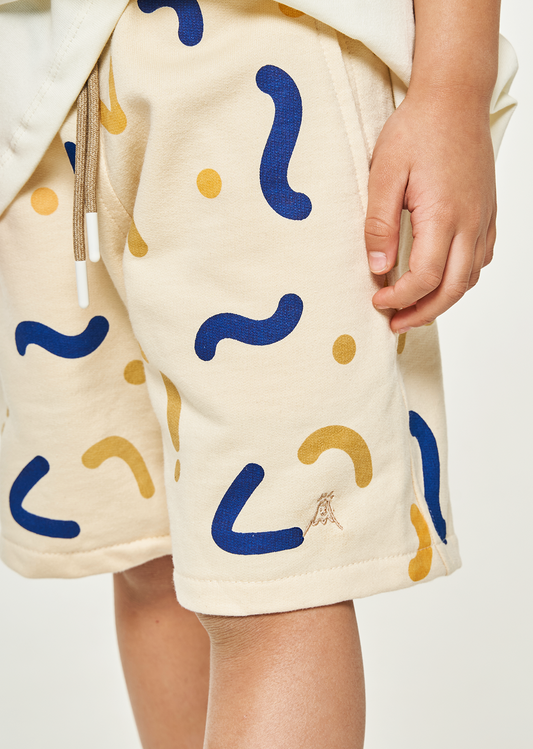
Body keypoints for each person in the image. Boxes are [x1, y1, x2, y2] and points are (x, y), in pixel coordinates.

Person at [0, 1, 517, 747]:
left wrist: (453, 85)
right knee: (152, 553)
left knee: (275, 578)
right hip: (44, 86)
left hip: (258, 63)